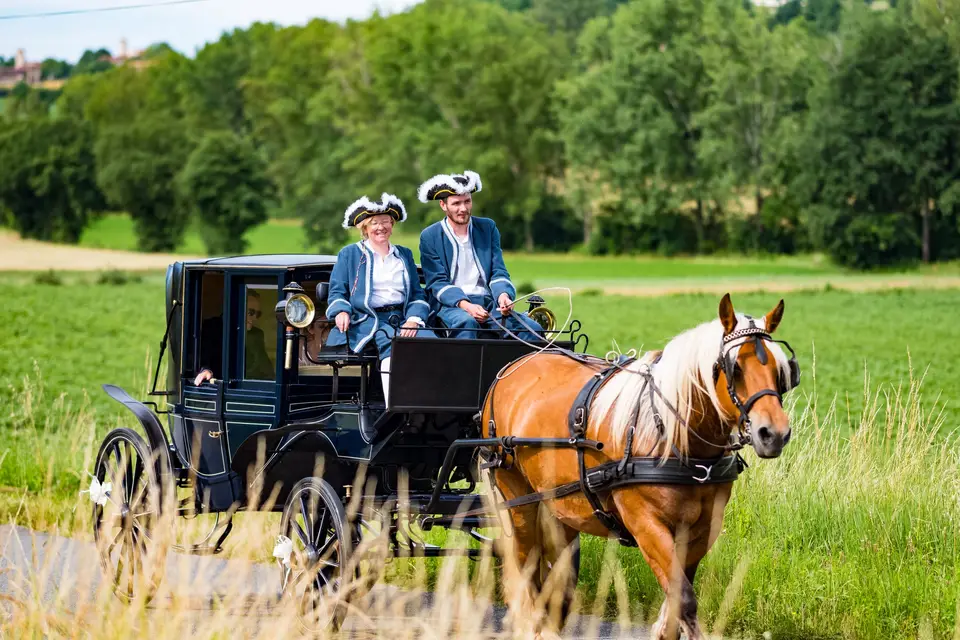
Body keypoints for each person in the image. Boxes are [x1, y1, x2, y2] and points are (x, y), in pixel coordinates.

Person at [325, 192, 432, 405]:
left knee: (433, 343)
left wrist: (413, 319)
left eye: (385, 222)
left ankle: (430, 404)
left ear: (392, 224)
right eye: (375, 223)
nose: (381, 227)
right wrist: (341, 311)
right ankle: (396, 407)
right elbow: (337, 291)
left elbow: (417, 295)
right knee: (394, 344)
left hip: (403, 317)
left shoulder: (404, 254)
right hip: (369, 319)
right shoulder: (349, 254)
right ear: (365, 228)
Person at [417, 170, 542, 341]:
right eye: (456, 203)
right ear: (443, 205)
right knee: (467, 323)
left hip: (488, 302)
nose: (463, 208)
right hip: (450, 305)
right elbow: (437, 283)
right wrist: (467, 306)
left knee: (533, 329)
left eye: (467, 201)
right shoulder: (430, 236)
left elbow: (498, 271)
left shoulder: (487, 228)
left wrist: (503, 297)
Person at [194, 290, 274, 385]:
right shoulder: (213, 327)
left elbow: (267, 369)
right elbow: (203, 359)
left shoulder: (257, 334)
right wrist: (206, 370)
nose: (255, 318)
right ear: (237, 309)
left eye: (258, 314)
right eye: (250, 312)